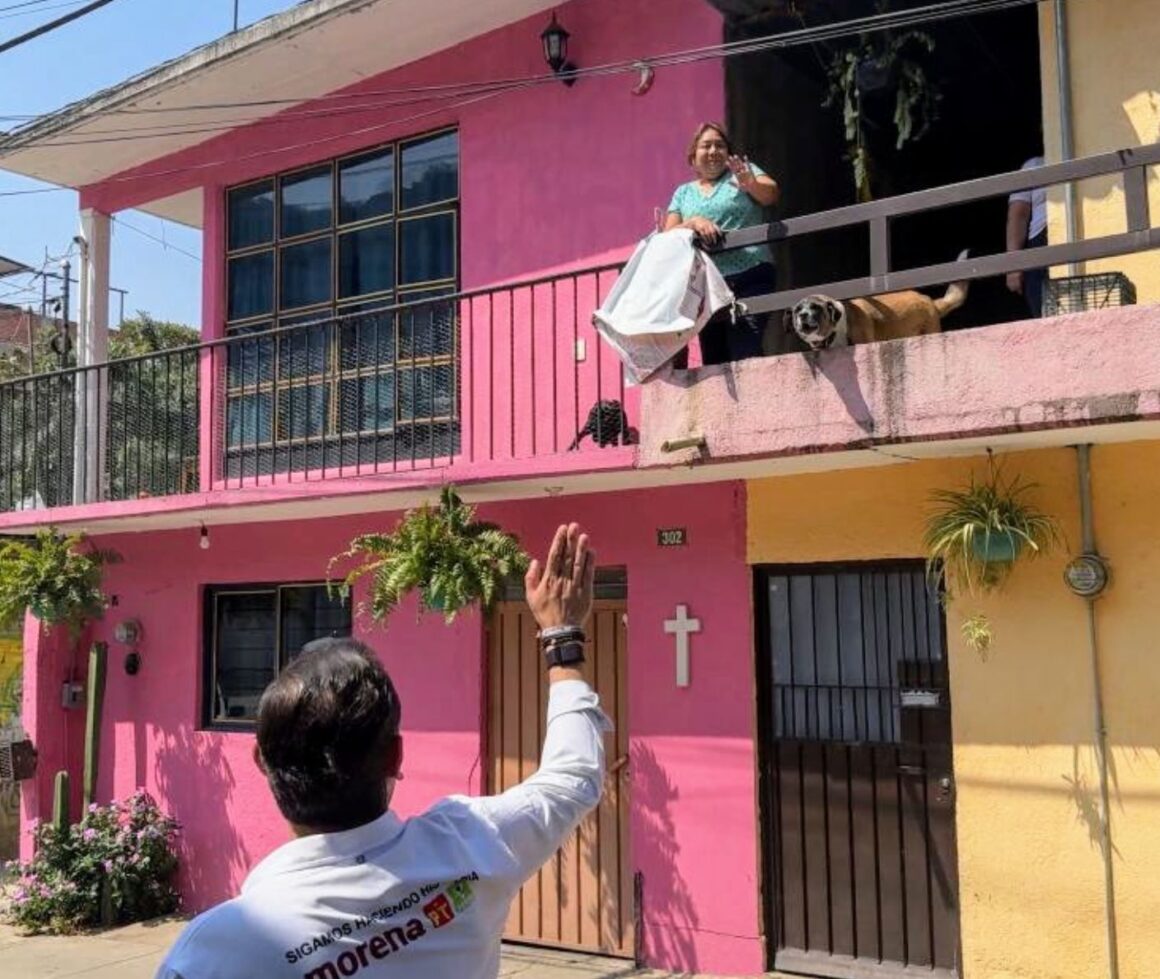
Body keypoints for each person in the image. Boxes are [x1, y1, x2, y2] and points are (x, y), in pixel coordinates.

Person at [156, 523, 607, 979]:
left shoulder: (215, 952)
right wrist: (561, 636)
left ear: (261, 761)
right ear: (396, 757)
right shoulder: (472, 843)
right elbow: (572, 779)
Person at [664, 121, 780, 367]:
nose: (713, 151)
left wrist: (750, 183)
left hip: (751, 273)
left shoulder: (743, 173)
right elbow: (668, 235)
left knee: (746, 351)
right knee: (715, 360)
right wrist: (693, 222)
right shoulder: (683, 193)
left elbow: (771, 194)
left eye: (720, 145)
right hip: (707, 284)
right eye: (706, 145)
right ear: (693, 157)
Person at [1006, 154, 1048, 317]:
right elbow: (1018, 216)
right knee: (1041, 310)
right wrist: (1014, 265)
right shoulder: (1034, 165)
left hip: (1076, 237)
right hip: (1040, 242)